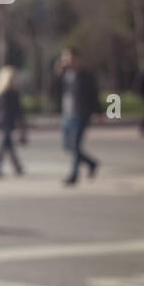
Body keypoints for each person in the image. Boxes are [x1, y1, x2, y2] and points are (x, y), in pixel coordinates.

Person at [53, 47, 99, 186]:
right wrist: (56, 74)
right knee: (68, 146)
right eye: (64, 58)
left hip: (81, 114)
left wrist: (99, 112)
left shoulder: (85, 75)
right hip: (67, 114)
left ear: (76, 59)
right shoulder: (63, 75)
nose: (67, 61)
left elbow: (93, 94)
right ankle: (91, 163)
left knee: (76, 145)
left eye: (70, 58)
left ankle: (73, 175)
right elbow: (52, 92)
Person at [0, 65, 26, 178]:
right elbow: (18, 110)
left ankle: (17, 166)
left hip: (3, 120)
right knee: (5, 143)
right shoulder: (10, 93)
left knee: (8, 144)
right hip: (7, 120)